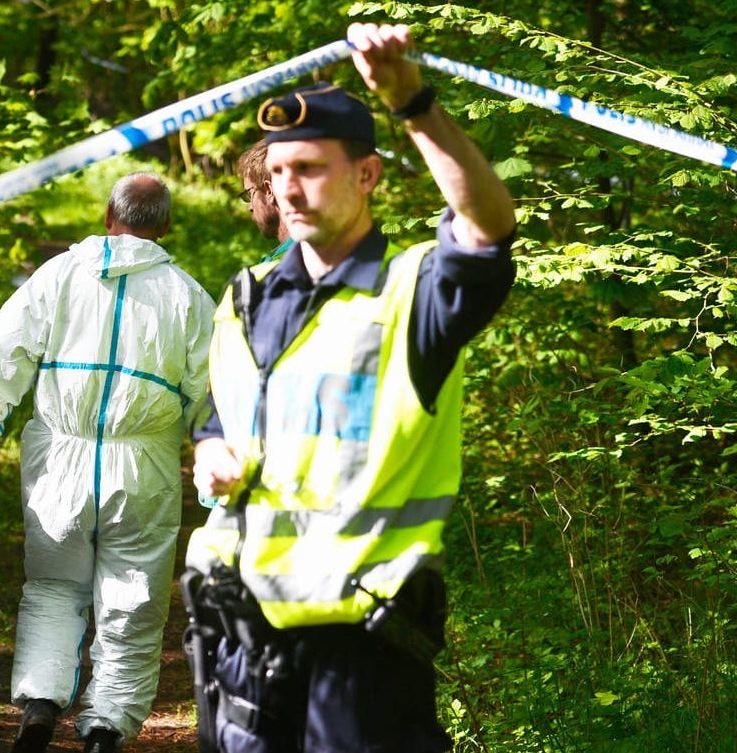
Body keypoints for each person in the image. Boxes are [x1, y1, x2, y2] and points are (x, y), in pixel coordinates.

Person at [184, 22, 517, 753]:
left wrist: (414, 103)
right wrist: (210, 447)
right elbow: (220, 413)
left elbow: (488, 227)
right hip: (241, 631)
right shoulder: (246, 295)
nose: (289, 189)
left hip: (362, 640)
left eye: (310, 167)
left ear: (365, 174)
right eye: (277, 172)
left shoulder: (414, 289)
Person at [0, 173, 216, 753]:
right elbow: (209, 393)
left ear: (107, 215)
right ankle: (105, 727)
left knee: (51, 586)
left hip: (58, 461)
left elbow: (4, 349)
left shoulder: (58, 276)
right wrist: (214, 466)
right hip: (142, 466)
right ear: (165, 226)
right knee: (134, 595)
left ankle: (40, 708)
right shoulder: (188, 296)